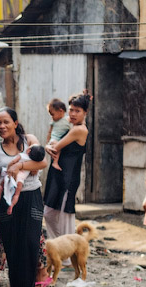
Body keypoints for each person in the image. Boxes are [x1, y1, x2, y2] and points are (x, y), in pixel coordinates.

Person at [0, 108, 49, 287]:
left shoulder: (29, 140)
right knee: (11, 244)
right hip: (7, 200)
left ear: (15, 123)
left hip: (31, 197)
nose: (2, 126)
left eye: (6, 122)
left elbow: (42, 162)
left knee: (30, 242)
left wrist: (19, 166)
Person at [43, 91, 90, 244]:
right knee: (49, 213)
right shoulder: (71, 126)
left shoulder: (79, 130)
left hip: (68, 179)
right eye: (71, 110)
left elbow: (55, 147)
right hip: (58, 175)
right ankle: (61, 247)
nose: (73, 114)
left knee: (65, 218)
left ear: (85, 112)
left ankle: (67, 252)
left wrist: (47, 146)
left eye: (78, 111)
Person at [0, 145, 47, 212]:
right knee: (16, 195)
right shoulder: (33, 163)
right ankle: (11, 205)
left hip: (11, 174)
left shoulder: (22, 156)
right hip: (20, 180)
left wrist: (8, 167)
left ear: (29, 150)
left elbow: (13, 162)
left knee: (1, 185)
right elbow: (33, 172)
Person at [44, 99, 70, 171]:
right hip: (54, 139)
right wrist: (47, 143)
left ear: (60, 111)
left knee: (58, 147)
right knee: (56, 147)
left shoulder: (67, 119)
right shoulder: (53, 122)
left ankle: (55, 162)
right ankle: (55, 162)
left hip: (60, 140)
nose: (52, 117)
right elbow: (49, 132)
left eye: (52, 114)